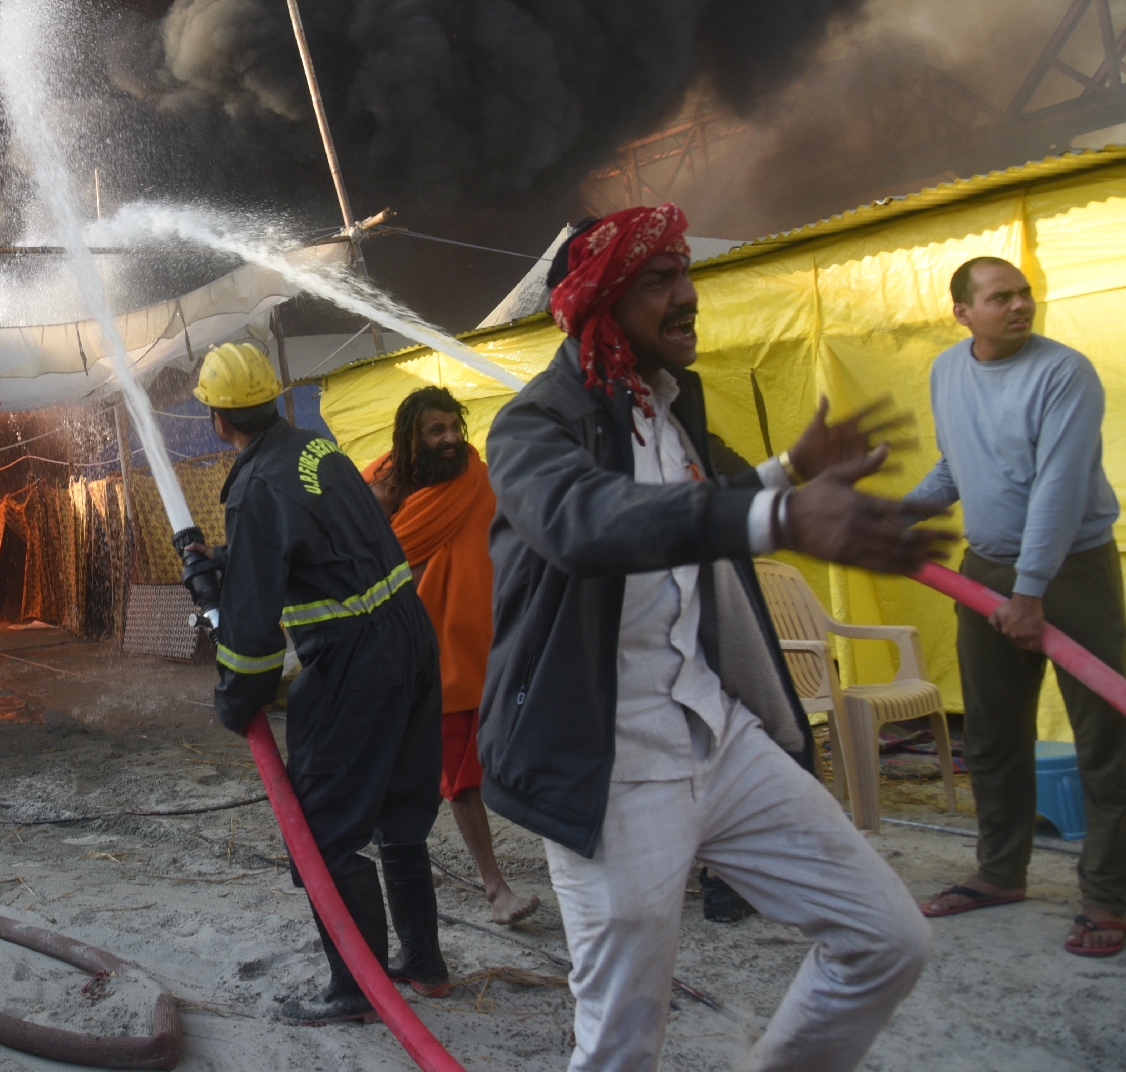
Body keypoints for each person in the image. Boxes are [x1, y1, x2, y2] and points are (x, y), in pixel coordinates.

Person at [483, 203, 951, 1072]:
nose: (689, 295)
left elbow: (702, 494)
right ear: (601, 301)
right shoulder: (529, 427)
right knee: (623, 1043)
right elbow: (589, 519)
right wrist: (781, 511)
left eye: (686, 272)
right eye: (659, 279)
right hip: (607, 765)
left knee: (887, 938)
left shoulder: (668, 402)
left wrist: (787, 475)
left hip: (716, 732)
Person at [191, 341, 450, 1023]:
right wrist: (224, 559)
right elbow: (316, 539)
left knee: (325, 835)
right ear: (276, 399)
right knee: (399, 816)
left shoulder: (254, 487)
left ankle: (358, 990)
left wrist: (234, 700)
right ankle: (423, 962)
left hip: (356, 661)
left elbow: (250, 638)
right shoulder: (317, 451)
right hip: (410, 637)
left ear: (219, 418)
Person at [907, 256, 1125, 958]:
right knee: (995, 734)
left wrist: (1030, 591)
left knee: (1106, 740)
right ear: (963, 311)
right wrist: (899, 516)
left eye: (1026, 293)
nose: (1022, 305)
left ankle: (1109, 896)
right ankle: (1000, 871)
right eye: (1002, 296)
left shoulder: (1065, 372)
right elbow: (954, 465)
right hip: (986, 568)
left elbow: (1058, 487)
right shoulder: (947, 371)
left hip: (1071, 568)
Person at [364, 385, 538, 928]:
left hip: (488, 649)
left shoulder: (479, 479)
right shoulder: (384, 486)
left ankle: (399, 847)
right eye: (436, 432)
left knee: (432, 768)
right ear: (412, 440)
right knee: (458, 776)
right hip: (424, 657)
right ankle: (496, 889)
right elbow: (374, 557)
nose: (450, 440)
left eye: (454, 428)